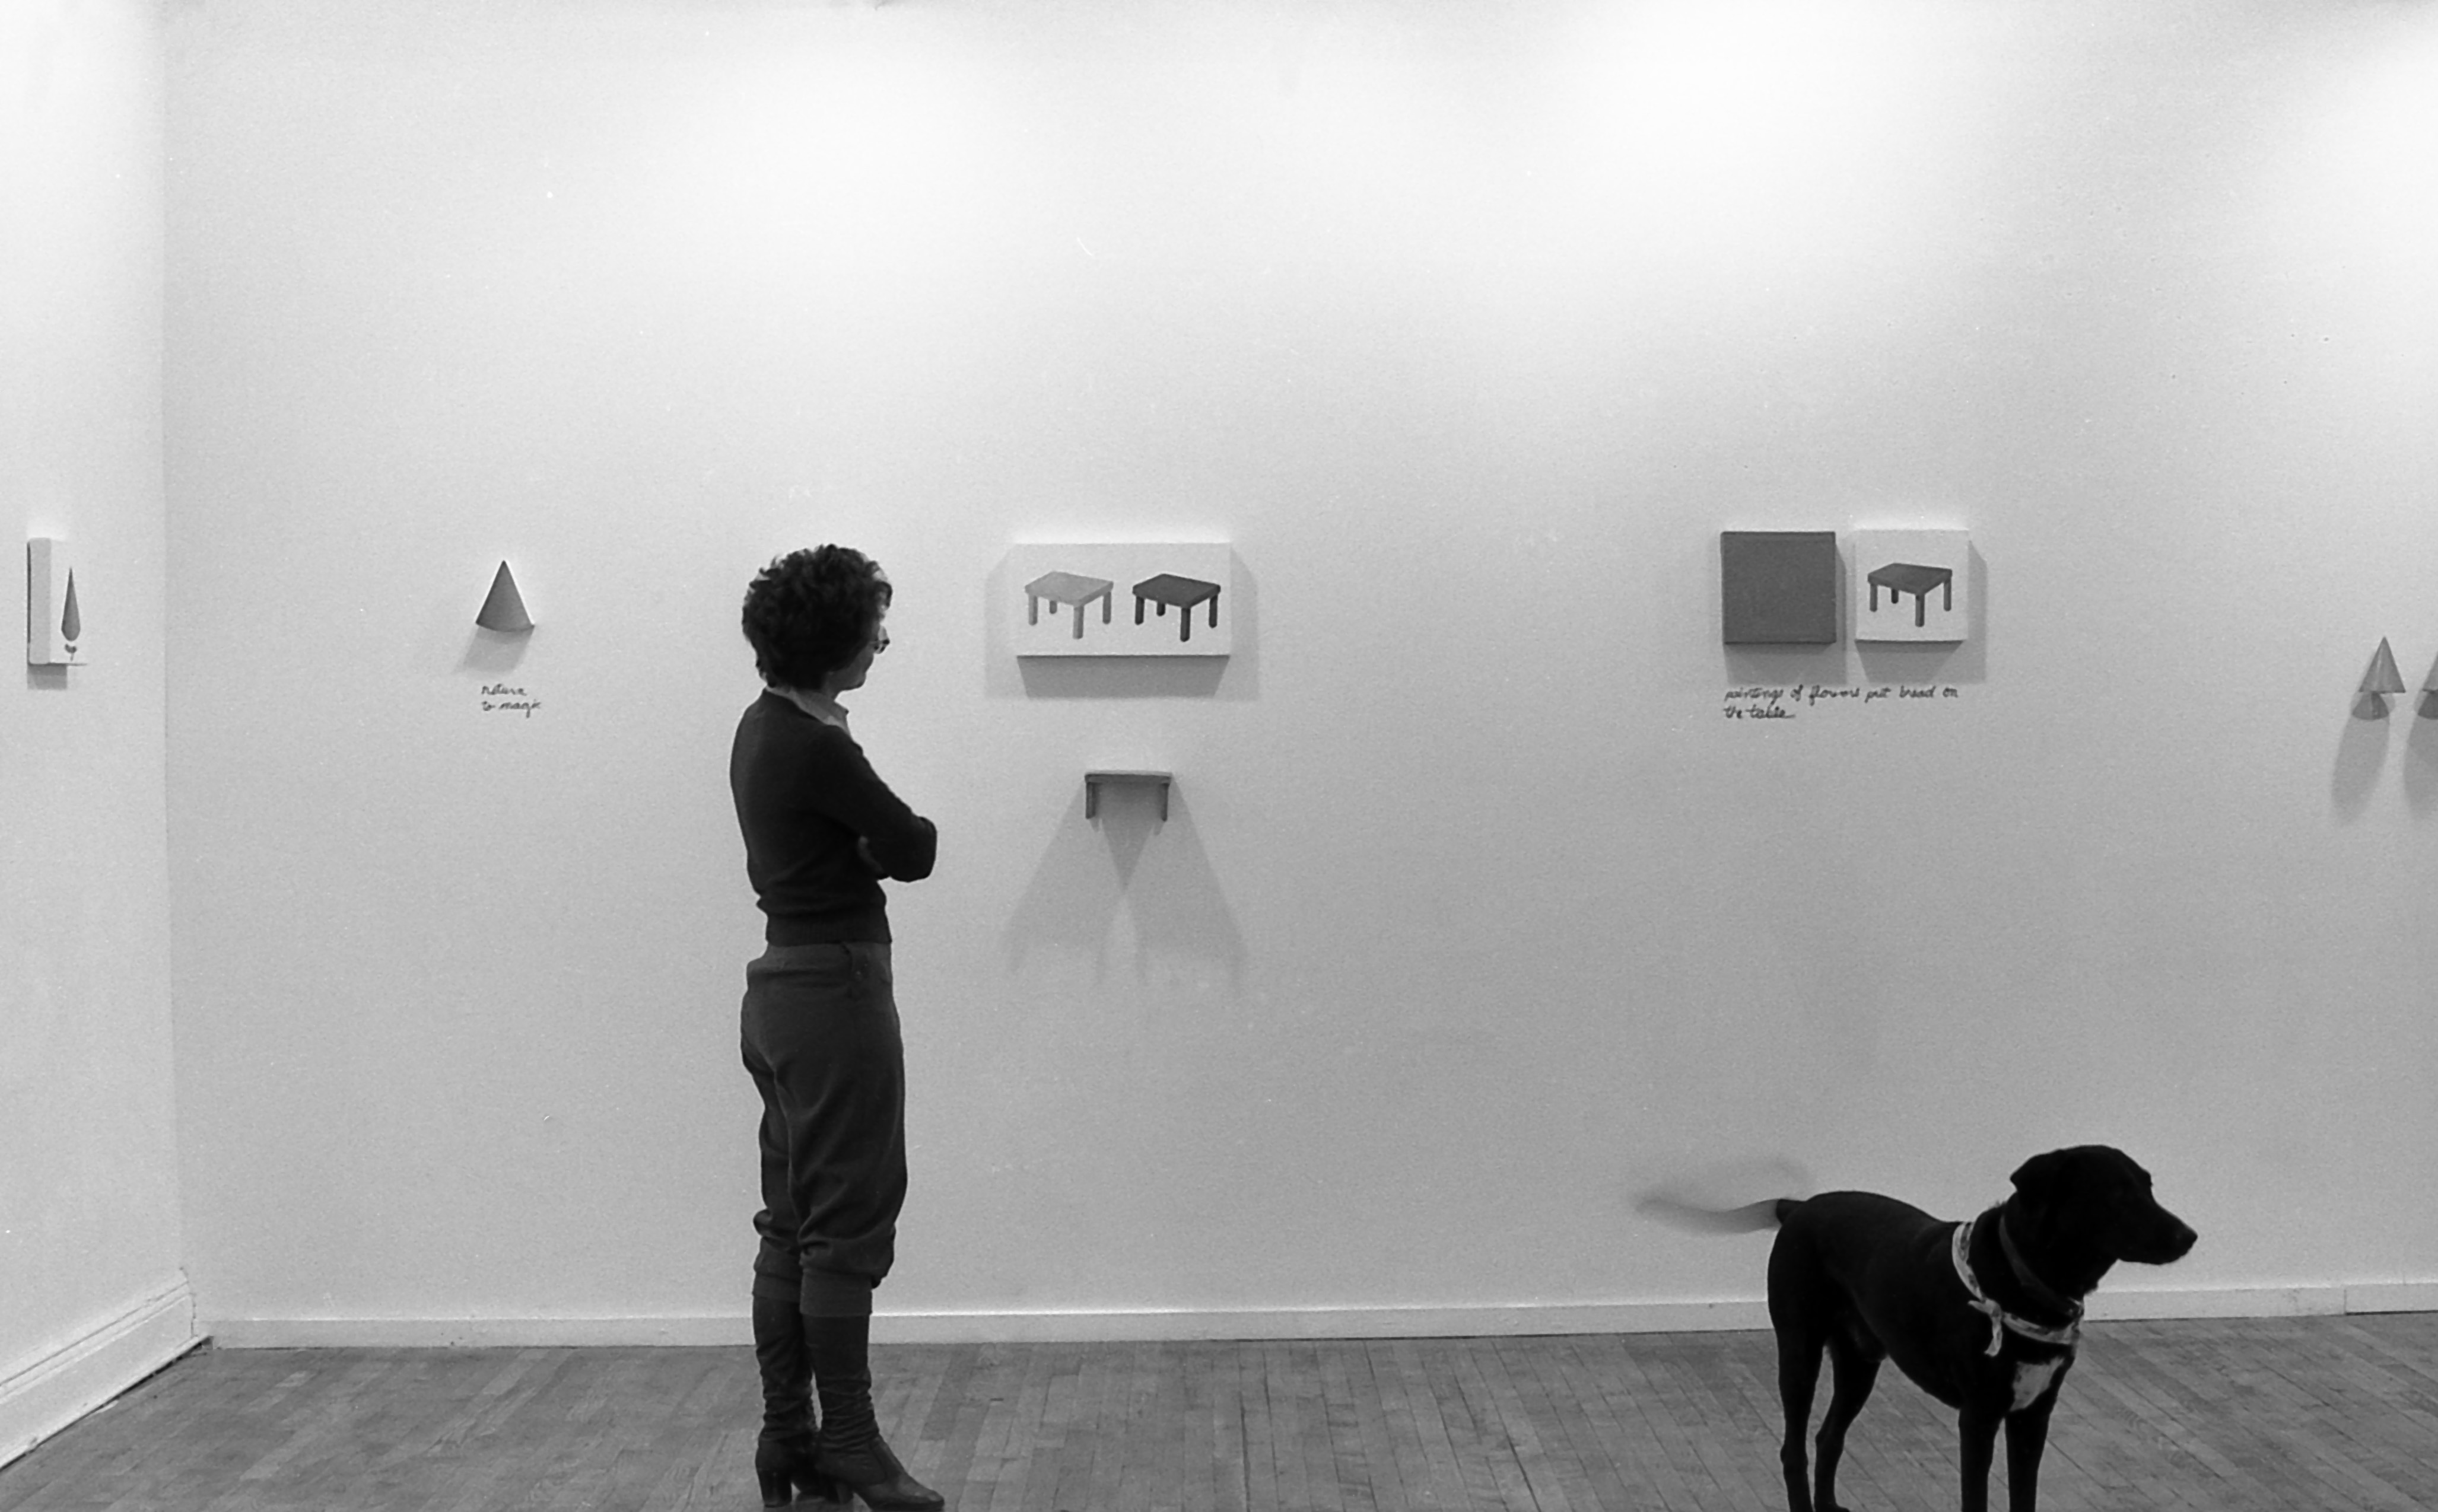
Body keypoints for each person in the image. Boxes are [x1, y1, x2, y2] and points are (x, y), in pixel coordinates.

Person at [732, 546, 943, 1510]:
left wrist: (872, 844)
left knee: (792, 1219)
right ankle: (851, 1443)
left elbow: (889, 846)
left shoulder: (760, 727)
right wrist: (876, 846)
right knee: (847, 1224)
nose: (882, 639)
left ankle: (790, 1435)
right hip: (837, 990)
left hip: (779, 989)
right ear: (834, 642)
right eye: (872, 626)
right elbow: (914, 845)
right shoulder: (820, 746)